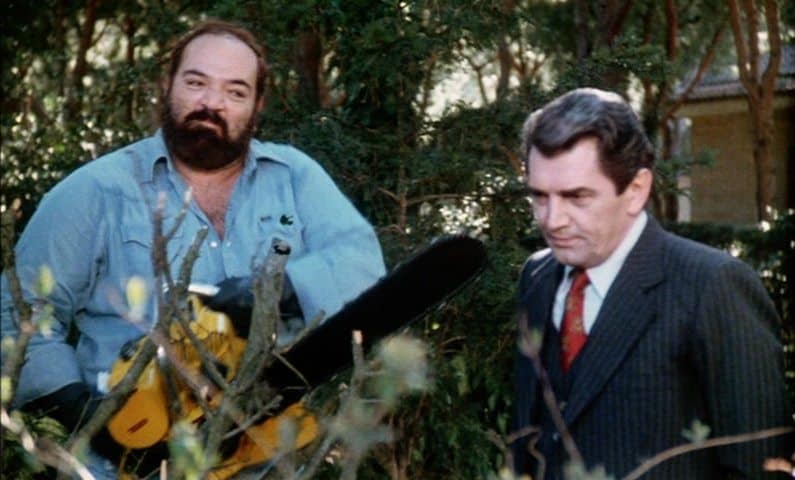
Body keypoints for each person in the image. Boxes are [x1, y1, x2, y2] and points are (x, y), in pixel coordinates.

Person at [0, 20, 385, 478]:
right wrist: (91, 419)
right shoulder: (96, 191)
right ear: (167, 85)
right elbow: (17, 315)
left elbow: (364, 264)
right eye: (197, 83)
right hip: (124, 467)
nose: (211, 103)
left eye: (235, 91)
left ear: (258, 105)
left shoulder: (295, 177)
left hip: (272, 462)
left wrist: (270, 294)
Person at [511, 88, 792, 479]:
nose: (552, 219)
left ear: (636, 190)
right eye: (540, 197)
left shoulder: (712, 286)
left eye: (576, 197)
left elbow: (759, 466)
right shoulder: (537, 278)